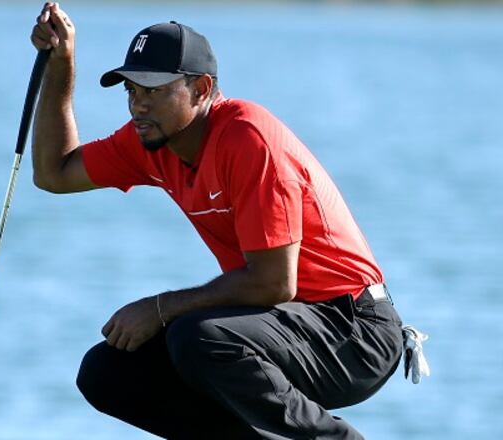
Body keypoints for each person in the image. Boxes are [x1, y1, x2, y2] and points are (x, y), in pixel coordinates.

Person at [29, 3, 411, 439]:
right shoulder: (151, 141)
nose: (138, 105)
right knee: (106, 371)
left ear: (201, 88)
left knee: (198, 336)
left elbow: (272, 283)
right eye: (131, 90)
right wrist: (61, 64)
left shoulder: (248, 138)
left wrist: (158, 309)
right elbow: (54, 173)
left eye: (153, 90)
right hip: (288, 324)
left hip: (356, 332)